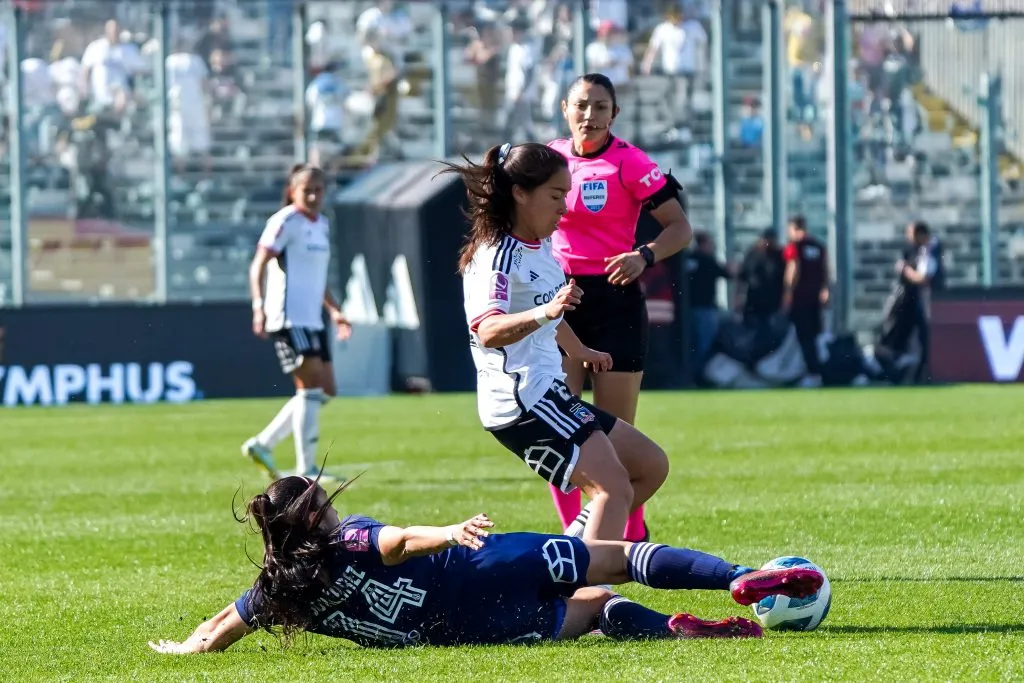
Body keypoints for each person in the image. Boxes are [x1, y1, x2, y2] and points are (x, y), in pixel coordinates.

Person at [148, 476, 826, 653]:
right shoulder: (349, 539)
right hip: (479, 566)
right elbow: (400, 541)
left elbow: (220, 628)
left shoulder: (278, 592)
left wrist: (184, 647)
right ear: (314, 517)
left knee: (590, 613)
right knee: (616, 558)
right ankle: (735, 575)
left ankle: (684, 631)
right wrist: (450, 530)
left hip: (468, 626)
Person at [441, 142, 671, 543]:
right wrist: (546, 313)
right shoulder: (496, 256)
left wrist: (579, 349)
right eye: (556, 195)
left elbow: (545, 308)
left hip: (546, 394)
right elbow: (488, 330)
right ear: (520, 193)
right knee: (613, 486)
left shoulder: (542, 246)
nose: (566, 207)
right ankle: (584, 593)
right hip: (522, 401)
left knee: (650, 466)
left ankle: (570, 557)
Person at [546, 73, 692, 543]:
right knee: (557, 429)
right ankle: (574, 538)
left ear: (615, 114)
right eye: (582, 105)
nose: (590, 115)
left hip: (615, 302)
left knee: (612, 440)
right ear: (565, 107)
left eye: (601, 107)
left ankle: (630, 534)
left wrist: (642, 255)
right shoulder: (549, 159)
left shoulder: (630, 163)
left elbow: (679, 228)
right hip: (561, 302)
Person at [242, 164, 352, 481]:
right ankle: (306, 470)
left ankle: (264, 443)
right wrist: (258, 307)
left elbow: (316, 279)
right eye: (308, 190)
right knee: (310, 389)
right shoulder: (284, 221)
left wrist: (334, 310)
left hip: (313, 319)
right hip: (289, 317)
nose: (315, 195)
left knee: (326, 391)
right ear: (293, 191)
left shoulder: (322, 224)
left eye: (319, 189)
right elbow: (258, 265)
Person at [782, 215, 829, 374]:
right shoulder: (818, 246)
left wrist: (787, 291)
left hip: (799, 299)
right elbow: (826, 270)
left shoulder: (794, 246)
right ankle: (817, 369)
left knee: (802, 336)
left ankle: (809, 371)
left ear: (794, 228)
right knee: (814, 336)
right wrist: (824, 289)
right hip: (814, 299)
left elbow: (793, 269)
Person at [685, 231, 733, 382]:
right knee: (705, 343)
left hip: (689, 308)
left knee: (692, 343)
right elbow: (727, 274)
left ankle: (692, 374)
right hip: (705, 307)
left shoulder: (688, 260)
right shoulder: (707, 260)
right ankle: (703, 376)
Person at [736, 228, 785, 325]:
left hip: (773, 302)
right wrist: (738, 297)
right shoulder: (752, 254)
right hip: (753, 301)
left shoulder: (779, 255)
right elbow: (743, 276)